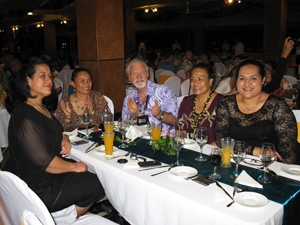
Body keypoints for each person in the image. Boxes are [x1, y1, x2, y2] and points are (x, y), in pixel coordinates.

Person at [4, 57, 105, 217]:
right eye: (42, 75)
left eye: (50, 76)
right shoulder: (24, 115)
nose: (49, 80)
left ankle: (65, 215)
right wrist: (74, 167)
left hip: (45, 174)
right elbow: (45, 162)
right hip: (36, 186)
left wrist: (63, 137)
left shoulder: (39, 107)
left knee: (93, 173)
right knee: (97, 183)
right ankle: (62, 218)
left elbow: (50, 133)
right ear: (28, 80)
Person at [215, 59, 299, 164]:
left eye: (253, 78)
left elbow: (289, 154)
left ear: (263, 80)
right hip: (237, 162)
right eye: (242, 78)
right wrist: (255, 150)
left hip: (271, 166)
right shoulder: (226, 103)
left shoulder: (278, 107)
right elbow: (220, 140)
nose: (247, 83)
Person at [122, 58, 178, 134]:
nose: (139, 77)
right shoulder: (129, 99)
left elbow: (177, 121)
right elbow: (125, 128)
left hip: (163, 141)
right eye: (134, 74)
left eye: (142, 73)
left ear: (147, 74)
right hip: (140, 141)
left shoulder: (163, 92)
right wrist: (134, 114)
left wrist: (160, 115)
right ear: (129, 77)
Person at [177, 63, 222, 144]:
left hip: (211, 153)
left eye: (200, 79)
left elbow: (224, 139)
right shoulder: (186, 102)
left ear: (210, 81)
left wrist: (203, 152)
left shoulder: (221, 103)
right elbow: (180, 131)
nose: (195, 83)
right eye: (192, 79)